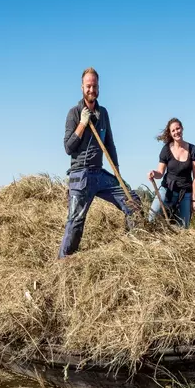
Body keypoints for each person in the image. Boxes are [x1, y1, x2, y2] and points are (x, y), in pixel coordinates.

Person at [58, 67, 140, 258]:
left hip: (100, 174)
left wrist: (118, 174)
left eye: (94, 86)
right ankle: (63, 263)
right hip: (81, 176)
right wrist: (82, 124)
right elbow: (68, 148)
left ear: (99, 87)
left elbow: (109, 143)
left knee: (132, 201)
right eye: (88, 86)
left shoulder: (103, 113)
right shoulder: (74, 113)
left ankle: (132, 247)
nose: (91, 89)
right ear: (82, 88)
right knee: (75, 222)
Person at [147, 118, 195, 228]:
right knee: (152, 215)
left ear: (182, 128)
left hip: (185, 193)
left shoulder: (192, 149)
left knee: (184, 228)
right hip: (167, 190)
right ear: (170, 134)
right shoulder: (166, 149)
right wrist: (153, 173)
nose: (176, 132)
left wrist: (193, 199)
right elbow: (160, 172)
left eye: (178, 128)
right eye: (173, 130)